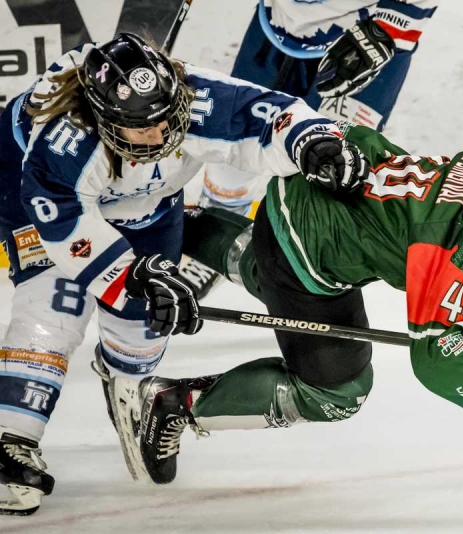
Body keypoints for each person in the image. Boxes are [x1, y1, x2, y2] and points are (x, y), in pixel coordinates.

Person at [109, 125, 463, 485]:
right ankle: (169, 405)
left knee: (265, 262)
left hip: (320, 198)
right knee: (339, 390)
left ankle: (171, 225)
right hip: (310, 248)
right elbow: (438, 358)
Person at [0, 32, 369, 514]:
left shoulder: (194, 95)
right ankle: (13, 441)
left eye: (166, 118)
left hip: (150, 203)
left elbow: (271, 114)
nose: (163, 135)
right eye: (144, 130)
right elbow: (63, 216)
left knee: (147, 319)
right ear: (106, 120)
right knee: (55, 308)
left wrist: (313, 142)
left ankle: (130, 391)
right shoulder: (64, 140)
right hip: (32, 198)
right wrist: (125, 274)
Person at [181, 0, 438, 295]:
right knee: (233, 137)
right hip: (277, 24)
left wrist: (388, 27)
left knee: (338, 164)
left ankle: (325, 275)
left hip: (367, 33)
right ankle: (219, 237)